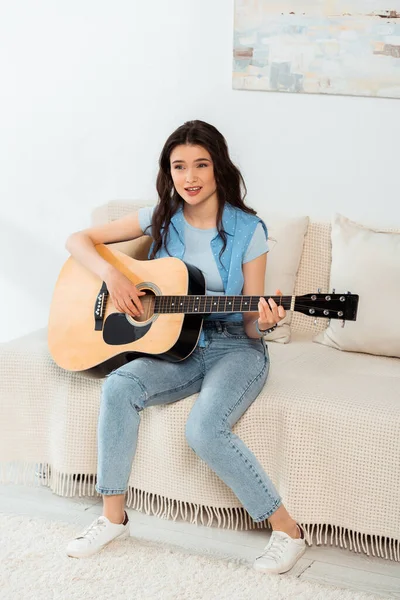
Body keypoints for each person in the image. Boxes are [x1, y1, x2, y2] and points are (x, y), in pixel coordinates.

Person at [64, 120, 307, 573]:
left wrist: (266, 322)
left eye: (200, 165)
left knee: (203, 429)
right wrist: (114, 276)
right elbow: (77, 240)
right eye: (179, 167)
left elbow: (253, 324)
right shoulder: (158, 216)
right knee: (119, 387)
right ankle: (112, 518)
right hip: (178, 343)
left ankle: (287, 529)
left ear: (218, 169)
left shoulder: (248, 230)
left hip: (236, 346)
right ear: (168, 172)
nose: (190, 177)